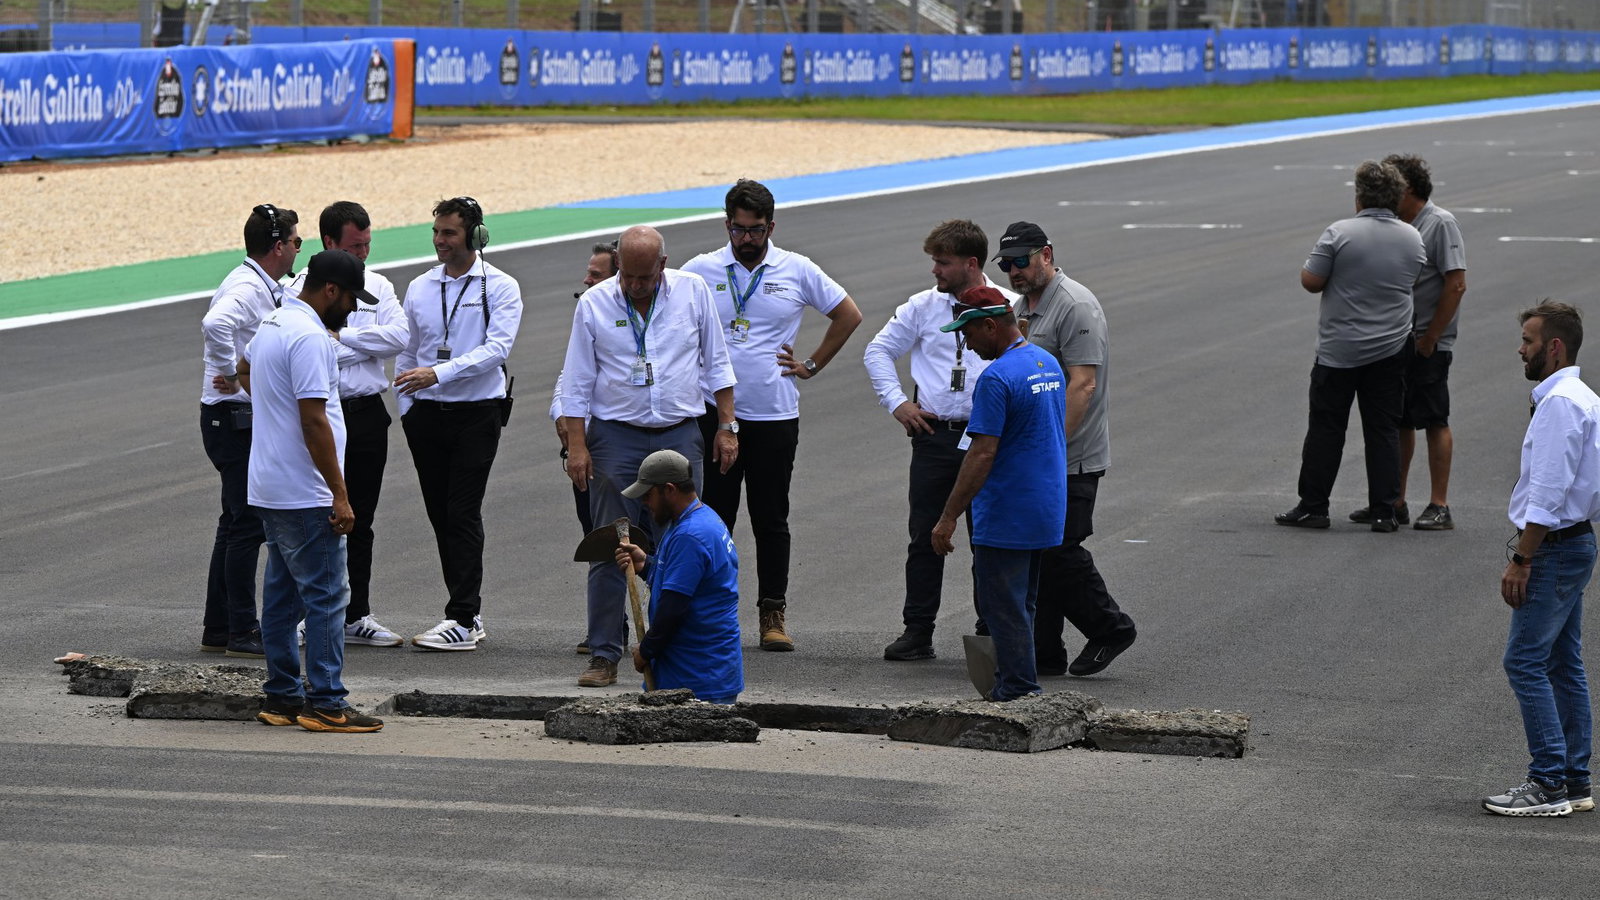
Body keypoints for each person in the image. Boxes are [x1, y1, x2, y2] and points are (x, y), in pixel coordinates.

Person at [682, 179, 863, 652]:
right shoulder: (700, 270)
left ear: (771, 227)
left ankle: (772, 614)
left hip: (775, 414)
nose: (747, 238)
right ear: (727, 225)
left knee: (771, 517)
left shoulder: (796, 269)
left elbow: (849, 315)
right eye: (739, 229)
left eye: (756, 230)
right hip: (711, 414)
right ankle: (708, 612)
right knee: (712, 518)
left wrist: (812, 364)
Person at [559, 225, 738, 687]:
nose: (635, 286)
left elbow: (717, 362)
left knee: (678, 545)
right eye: (627, 276)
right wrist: (577, 446)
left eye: (644, 277)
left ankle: (667, 648)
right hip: (616, 438)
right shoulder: (595, 304)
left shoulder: (693, 292)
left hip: (679, 434)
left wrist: (726, 426)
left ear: (663, 264)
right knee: (610, 545)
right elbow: (576, 380)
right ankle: (604, 654)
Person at [244, 249, 384, 733]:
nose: (352, 307)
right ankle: (326, 702)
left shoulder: (274, 323)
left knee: (282, 598)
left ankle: (282, 697)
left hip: (270, 484)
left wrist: (270, 411)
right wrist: (340, 494)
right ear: (330, 290)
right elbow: (313, 419)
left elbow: (243, 372)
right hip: (305, 490)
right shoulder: (309, 337)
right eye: (349, 298)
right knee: (327, 596)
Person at [863, 220, 1009, 661]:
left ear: (970, 263)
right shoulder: (922, 307)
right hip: (935, 435)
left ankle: (992, 631)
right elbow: (878, 350)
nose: (934, 271)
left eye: (942, 263)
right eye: (933, 261)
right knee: (925, 536)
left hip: (988, 438)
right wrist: (898, 404)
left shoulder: (1009, 305)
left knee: (989, 538)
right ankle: (918, 629)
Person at [998, 221, 1138, 677]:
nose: (1014, 271)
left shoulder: (1075, 305)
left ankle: (1109, 627)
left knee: (1059, 549)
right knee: (1041, 550)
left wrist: (1049, 449)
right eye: (1007, 264)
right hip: (1039, 454)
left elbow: (1084, 384)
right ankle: (1045, 651)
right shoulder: (1023, 305)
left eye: (1022, 260)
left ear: (1046, 254)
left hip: (1069, 456)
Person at [1484, 301, 1600, 816]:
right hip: (1576, 541)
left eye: (1529, 341)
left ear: (1554, 347)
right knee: (1561, 662)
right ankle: (1574, 781)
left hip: (1554, 546)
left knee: (1525, 661)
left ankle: (1548, 782)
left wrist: (1522, 558)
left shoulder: (1559, 404)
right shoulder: (1582, 397)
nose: (1521, 349)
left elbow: (1548, 492)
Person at [395, 197, 524, 651]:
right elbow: (408, 349)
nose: (439, 241)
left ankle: (463, 618)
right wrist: (407, 405)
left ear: (474, 235)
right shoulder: (419, 286)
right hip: (425, 415)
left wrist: (439, 373)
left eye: (449, 233)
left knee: (462, 511)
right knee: (440, 515)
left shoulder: (500, 286)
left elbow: (497, 349)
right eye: (436, 232)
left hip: (477, 414)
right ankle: (467, 608)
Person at [931, 289, 1067, 702]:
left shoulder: (996, 378)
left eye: (968, 333)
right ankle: (1019, 684)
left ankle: (1017, 690)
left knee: (1002, 607)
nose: (966, 345)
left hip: (1007, 510)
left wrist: (948, 516)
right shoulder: (1046, 362)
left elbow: (982, 452)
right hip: (1045, 505)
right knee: (1022, 603)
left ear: (990, 325)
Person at [1276, 160, 1425, 533]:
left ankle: (1314, 506)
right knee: (1384, 430)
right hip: (1390, 347)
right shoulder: (1412, 237)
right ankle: (1385, 510)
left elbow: (1311, 281)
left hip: (1339, 349)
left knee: (1326, 428)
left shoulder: (1339, 233)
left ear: (1359, 197)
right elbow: (1414, 278)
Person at [287, 201, 408, 648]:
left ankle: (357, 614)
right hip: (323, 414)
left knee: (362, 518)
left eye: (368, 243)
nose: (364, 252)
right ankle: (310, 613)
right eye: (356, 246)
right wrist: (358, 346)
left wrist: (344, 337)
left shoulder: (378, 284)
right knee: (317, 514)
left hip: (368, 413)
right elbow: (319, 351)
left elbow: (401, 336)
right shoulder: (298, 291)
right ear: (331, 243)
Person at [198, 204, 300, 659]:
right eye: (297, 242)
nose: (299, 249)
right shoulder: (245, 285)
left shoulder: (260, 282)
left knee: (233, 523)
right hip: (232, 416)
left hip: (228, 416)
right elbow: (215, 324)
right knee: (247, 526)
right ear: (278, 246)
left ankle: (219, 627)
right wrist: (232, 374)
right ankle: (241, 630)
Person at [1352, 154, 1466, 531]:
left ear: (1409, 189)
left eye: (1394, 187)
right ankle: (1394, 499)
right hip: (1396, 339)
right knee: (1399, 419)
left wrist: (1432, 336)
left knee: (1434, 418)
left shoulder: (1440, 223)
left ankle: (1439, 504)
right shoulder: (1396, 225)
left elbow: (1456, 283)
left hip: (1428, 341)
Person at [614, 450, 743, 703]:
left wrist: (646, 651)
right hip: (702, 672)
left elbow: (673, 607)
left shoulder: (690, 536)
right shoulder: (701, 518)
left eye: (648, 494)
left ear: (669, 489)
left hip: (697, 679)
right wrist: (646, 565)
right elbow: (688, 581)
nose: (644, 503)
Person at [559, 240, 619, 657]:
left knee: (645, 542)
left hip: (621, 446)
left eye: (596, 274)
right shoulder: (590, 311)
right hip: (587, 450)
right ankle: (611, 630)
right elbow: (570, 378)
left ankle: (667, 629)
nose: (586, 280)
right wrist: (562, 421)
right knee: (598, 540)